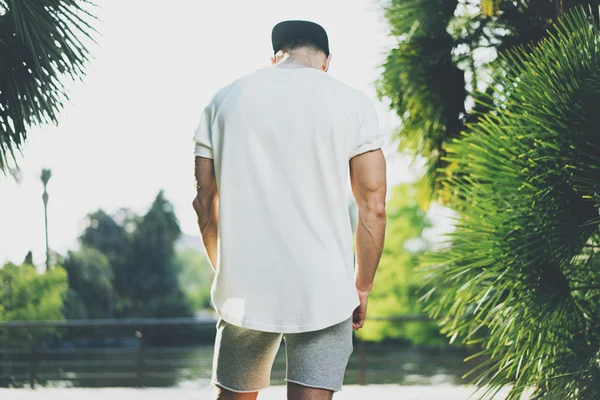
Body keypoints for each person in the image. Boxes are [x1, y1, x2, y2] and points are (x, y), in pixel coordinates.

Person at [192, 20, 387, 400]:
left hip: (246, 287)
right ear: (326, 60)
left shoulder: (223, 100)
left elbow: (204, 202)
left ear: (274, 57)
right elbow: (373, 207)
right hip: (325, 286)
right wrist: (362, 285)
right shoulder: (352, 102)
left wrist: (228, 269)